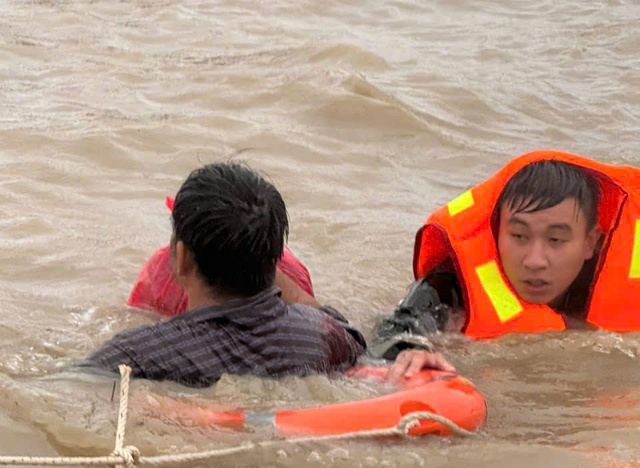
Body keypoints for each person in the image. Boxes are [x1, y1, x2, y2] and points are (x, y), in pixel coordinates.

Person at [82, 161, 369, 387]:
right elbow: (349, 335)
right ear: (274, 261)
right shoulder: (327, 338)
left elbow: (72, 387)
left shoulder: (135, 355)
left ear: (181, 259)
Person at [371, 150, 640, 356]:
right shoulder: (453, 286)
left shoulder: (618, 287)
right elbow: (395, 336)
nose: (535, 261)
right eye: (519, 236)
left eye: (556, 240)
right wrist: (413, 355)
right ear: (498, 231)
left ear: (590, 243)